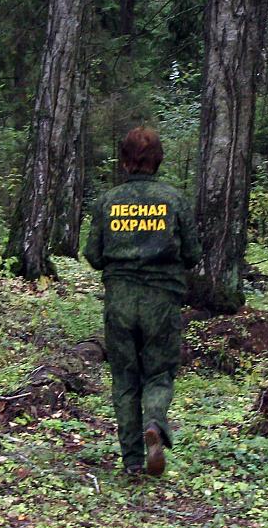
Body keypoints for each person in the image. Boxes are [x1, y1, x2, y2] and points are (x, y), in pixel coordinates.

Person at [84, 127, 201, 476]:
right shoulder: (175, 200)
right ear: (158, 160)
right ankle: (154, 423)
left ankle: (133, 460)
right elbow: (193, 253)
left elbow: (93, 254)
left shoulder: (107, 202)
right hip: (161, 301)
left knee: (124, 379)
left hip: (119, 300)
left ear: (123, 161)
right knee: (159, 375)